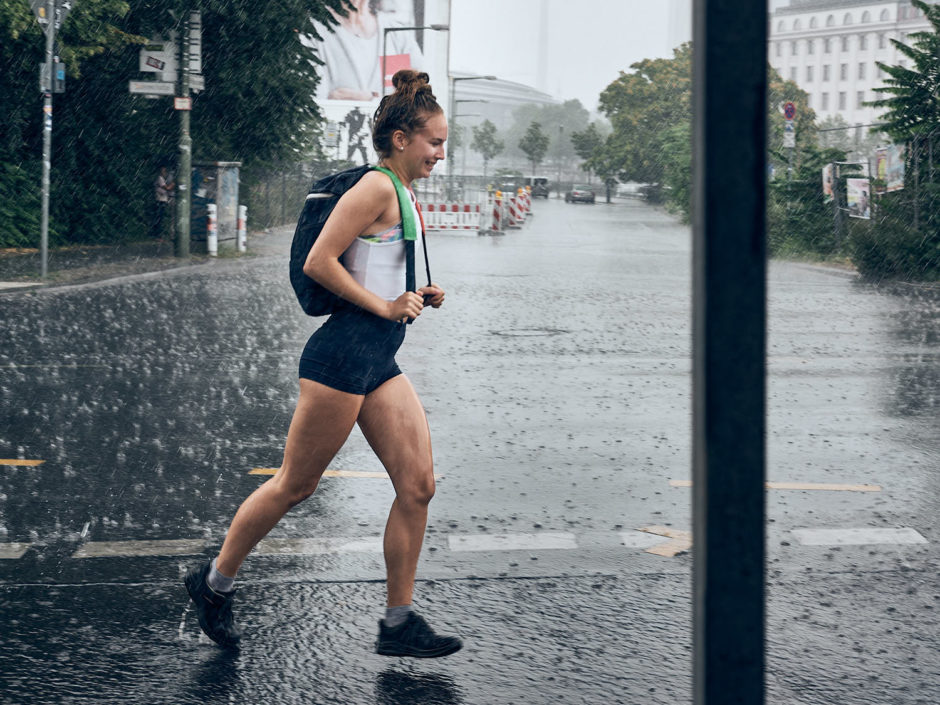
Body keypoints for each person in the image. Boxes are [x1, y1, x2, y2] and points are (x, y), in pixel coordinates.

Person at [184, 70, 461, 659]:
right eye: (435, 141)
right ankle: (213, 584)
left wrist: (418, 292)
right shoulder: (375, 188)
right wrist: (386, 304)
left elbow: (373, 266)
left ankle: (397, 621)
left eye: (444, 141)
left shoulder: (401, 192)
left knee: (418, 487)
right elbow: (319, 262)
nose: (442, 152)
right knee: (296, 484)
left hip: (379, 358)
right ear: (401, 139)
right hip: (340, 359)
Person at [305, 0, 425, 102]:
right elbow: (314, 103)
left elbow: (419, 99)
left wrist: (370, 99)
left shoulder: (398, 36)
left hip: (391, 129)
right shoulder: (313, 33)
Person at [149, 166, 174, 240]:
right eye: (163, 171)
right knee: (159, 218)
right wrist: (173, 184)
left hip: (162, 200)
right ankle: (157, 235)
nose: (164, 173)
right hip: (160, 201)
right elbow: (167, 188)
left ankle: (158, 235)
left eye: (165, 171)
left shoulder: (162, 179)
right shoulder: (160, 178)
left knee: (160, 218)